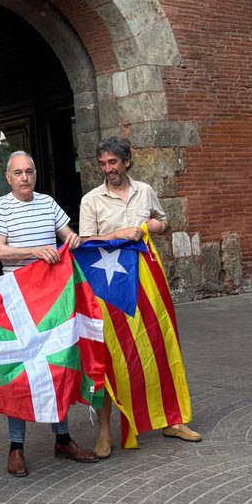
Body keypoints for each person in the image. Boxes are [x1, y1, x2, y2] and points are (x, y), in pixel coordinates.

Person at [79, 136, 201, 458]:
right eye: (103, 164)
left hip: (147, 285)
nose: (108, 170)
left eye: (113, 163)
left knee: (160, 347)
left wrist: (154, 226)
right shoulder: (91, 200)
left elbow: (164, 221)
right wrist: (117, 235)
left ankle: (172, 420)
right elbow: (85, 243)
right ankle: (105, 433)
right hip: (107, 290)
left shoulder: (144, 190)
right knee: (109, 360)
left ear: (126, 162)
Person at [0, 150, 97, 475]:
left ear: (36, 174)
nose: (25, 178)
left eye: (29, 172)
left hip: (51, 299)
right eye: (18, 173)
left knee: (57, 364)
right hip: (18, 301)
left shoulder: (48, 203)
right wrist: (34, 252)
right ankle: (16, 446)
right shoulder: (1, 206)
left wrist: (73, 239)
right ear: (8, 178)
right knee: (19, 371)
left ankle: (62, 438)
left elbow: (68, 237)